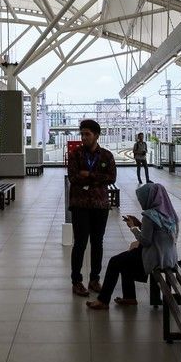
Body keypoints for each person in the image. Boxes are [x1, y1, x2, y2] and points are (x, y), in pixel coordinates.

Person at [87, 182, 178, 310]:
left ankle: (103, 300)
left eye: (142, 200)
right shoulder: (170, 213)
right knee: (126, 259)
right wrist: (141, 224)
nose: (141, 203)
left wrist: (133, 227)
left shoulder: (150, 215)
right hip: (169, 257)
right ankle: (129, 297)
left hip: (155, 258)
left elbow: (145, 241)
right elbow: (157, 233)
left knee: (115, 261)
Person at [67, 119, 117, 297]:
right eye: (82, 134)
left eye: (87, 134)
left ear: (96, 135)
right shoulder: (75, 155)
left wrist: (89, 174)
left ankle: (94, 279)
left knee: (97, 243)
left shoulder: (106, 156)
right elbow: (73, 177)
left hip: (100, 205)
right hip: (80, 204)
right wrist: (98, 178)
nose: (83, 137)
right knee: (80, 243)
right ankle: (76, 281)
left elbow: (111, 178)